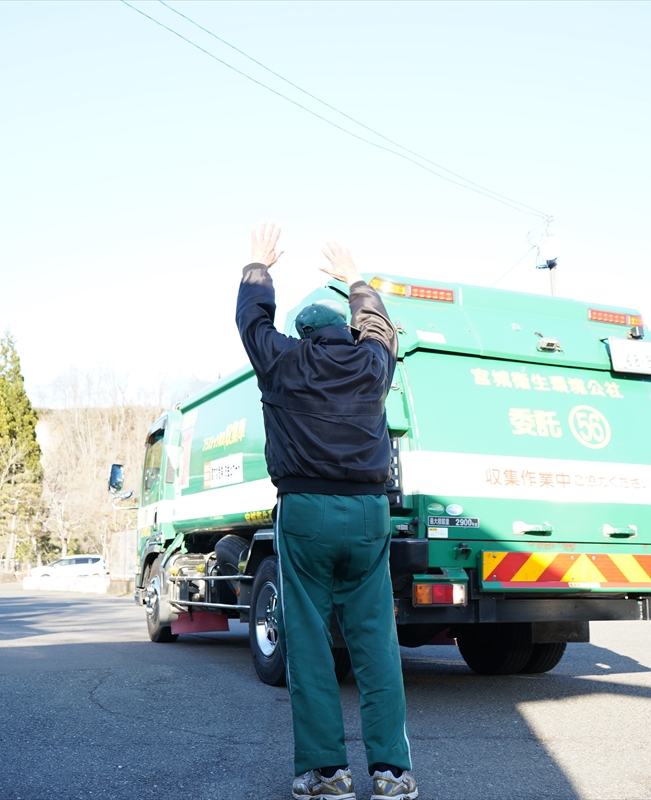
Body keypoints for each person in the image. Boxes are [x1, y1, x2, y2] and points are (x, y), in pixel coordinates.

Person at [236, 222, 417, 800]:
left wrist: (258, 268)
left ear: (304, 335)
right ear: (344, 330)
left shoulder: (284, 362)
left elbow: (251, 324)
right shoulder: (371, 365)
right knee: (376, 643)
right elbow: (380, 328)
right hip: (368, 513)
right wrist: (356, 279)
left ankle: (325, 774)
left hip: (306, 512)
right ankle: (392, 773)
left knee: (310, 643)